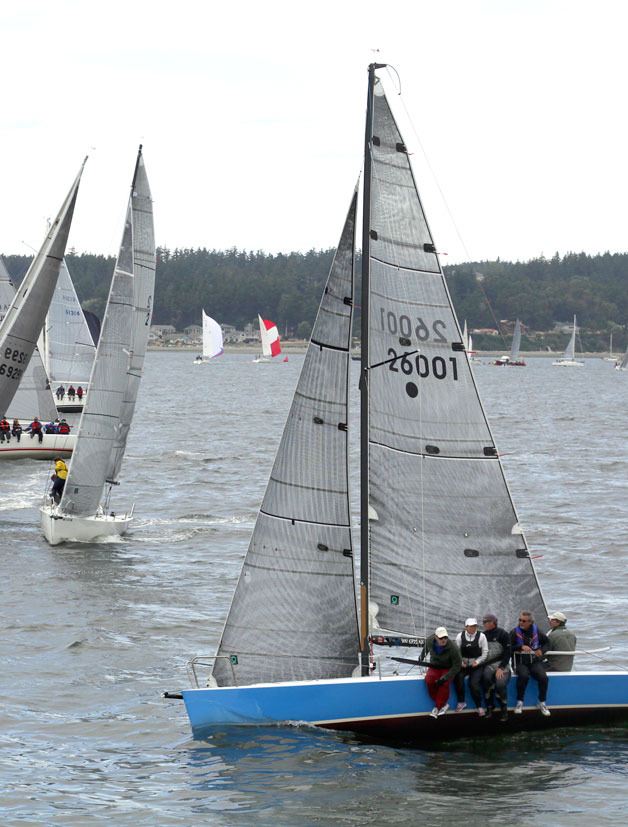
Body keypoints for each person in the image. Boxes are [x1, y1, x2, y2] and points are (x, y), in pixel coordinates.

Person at [510, 611, 550, 716]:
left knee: (543, 678)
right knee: (524, 676)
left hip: (534, 662)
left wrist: (541, 650)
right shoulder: (514, 632)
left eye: (523, 621)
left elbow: (547, 643)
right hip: (520, 662)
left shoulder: (537, 631)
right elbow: (508, 647)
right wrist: (520, 647)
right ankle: (520, 702)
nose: (521, 622)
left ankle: (542, 702)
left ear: (530, 622)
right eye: (519, 620)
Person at [419, 626, 462, 718]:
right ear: (435, 637)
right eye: (441, 638)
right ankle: (443, 704)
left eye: (445, 637)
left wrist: (445, 678)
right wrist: (420, 658)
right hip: (434, 666)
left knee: (444, 683)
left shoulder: (453, 647)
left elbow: (457, 665)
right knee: (429, 681)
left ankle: (437, 708)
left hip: (448, 667)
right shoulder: (429, 640)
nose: (443, 640)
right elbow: (425, 650)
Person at [454, 618, 489, 716]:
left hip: (476, 665)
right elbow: (456, 652)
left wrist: (477, 662)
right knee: (458, 678)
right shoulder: (459, 636)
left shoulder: (482, 636)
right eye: (471, 626)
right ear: (466, 627)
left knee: (473, 684)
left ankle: (479, 706)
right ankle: (461, 702)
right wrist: (461, 662)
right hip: (463, 665)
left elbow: (485, 652)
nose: (473, 628)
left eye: (475, 626)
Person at [481, 613, 512, 721]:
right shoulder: (483, 635)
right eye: (484, 622)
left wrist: (501, 667)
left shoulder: (503, 634)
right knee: (486, 678)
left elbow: (508, 653)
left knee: (500, 684)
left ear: (493, 622)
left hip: (502, 664)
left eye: (487, 622)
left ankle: (504, 710)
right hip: (489, 665)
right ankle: (490, 706)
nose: (484, 624)